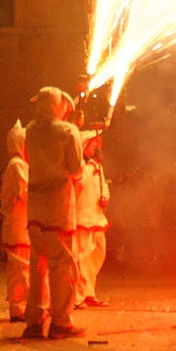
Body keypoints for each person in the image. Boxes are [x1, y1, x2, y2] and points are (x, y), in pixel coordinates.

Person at [22, 85, 84, 339]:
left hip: (35, 207)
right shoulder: (68, 131)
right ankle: (61, 322)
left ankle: (34, 322)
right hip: (58, 206)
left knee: (38, 266)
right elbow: (76, 168)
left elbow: (29, 159)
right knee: (62, 266)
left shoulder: (30, 130)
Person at [73, 127, 110, 308]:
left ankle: (89, 293)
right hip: (82, 218)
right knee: (82, 257)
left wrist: (105, 198)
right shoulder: (81, 165)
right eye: (94, 143)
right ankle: (78, 297)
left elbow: (103, 185)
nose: (97, 146)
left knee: (97, 256)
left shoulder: (98, 166)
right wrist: (91, 165)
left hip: (97, 218)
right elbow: (79, 184)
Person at [0, 121, 30, 321]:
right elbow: (24, 193)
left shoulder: (22, 164)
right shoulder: (17, 165)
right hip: (18, 224)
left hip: (23, 224)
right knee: (19, 268)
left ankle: (23, 305)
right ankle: (17, 307)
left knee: (23, 267)